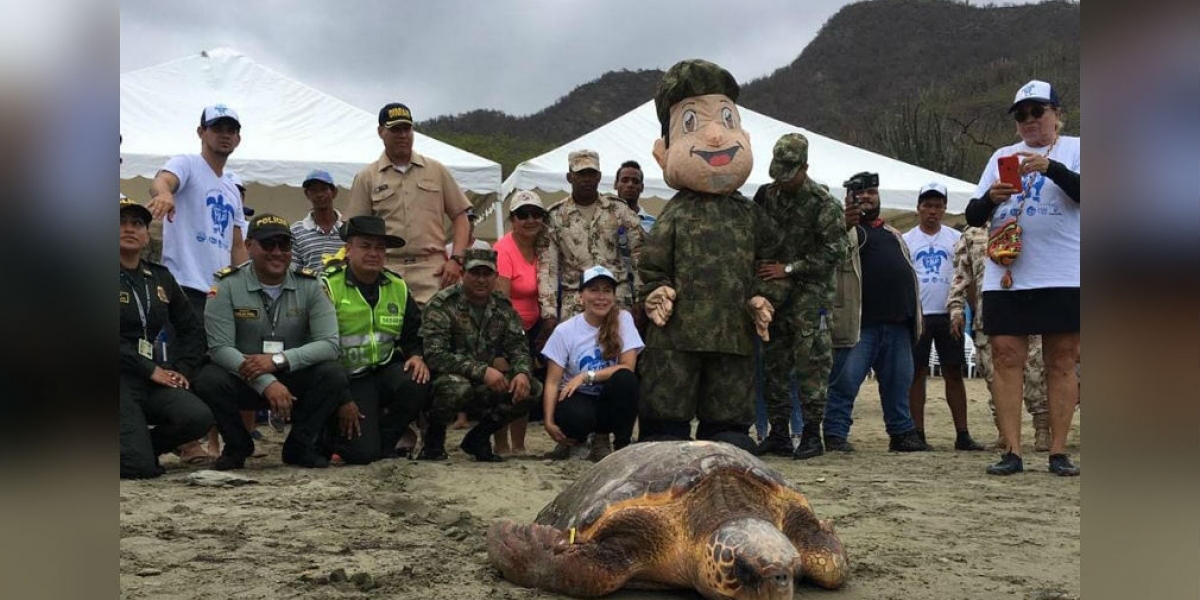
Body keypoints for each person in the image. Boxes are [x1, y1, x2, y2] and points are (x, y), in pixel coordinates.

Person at [637, 59, 785, 451]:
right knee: (667, 414)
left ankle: (727, 434)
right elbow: (651, 263)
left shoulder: (751, 214)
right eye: (693, 125)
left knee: (728, 422)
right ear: (663, 152)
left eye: (726, 119)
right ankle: (664, 434)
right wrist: (656, 289)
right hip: (677, 333)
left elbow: (772, 265)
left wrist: (763, 295)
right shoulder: (676, 211)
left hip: (732, 331)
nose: (717, 137)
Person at [964, 79, 1080, 476]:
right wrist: (990, 197)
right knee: (1006, 357)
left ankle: (1058, 451)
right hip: (1008, 271)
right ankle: (1011, 451)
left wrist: (1053, 168)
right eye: (1021, 115)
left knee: (1062, 361)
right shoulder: (1002, 155)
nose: (1029, 121)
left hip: (1063, 271)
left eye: (1038, 112)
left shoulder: (1077, 149)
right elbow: (973, 216)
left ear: (1056, 115)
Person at [193, 214, 347, 470]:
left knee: (333, 374)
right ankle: (238, 445)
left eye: (284, 245)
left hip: (292, 373)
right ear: (249, 246)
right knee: (208, 378)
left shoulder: (311, 284)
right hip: (245, 376)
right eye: (268, 244)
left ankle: (299, 446)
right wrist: (267, 383)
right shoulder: (227, 284)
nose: (277, 252)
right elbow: (219, 348)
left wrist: (279, 362)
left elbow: (330, 343)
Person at [752, 133, 848, 459]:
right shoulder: (767, 196)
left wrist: (789, 268)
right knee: (774, 365)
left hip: (811, 294)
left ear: (805, 167)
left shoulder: (824, 205)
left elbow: (836, 251)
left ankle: (811, 433)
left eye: (788, 172)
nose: (782, 180)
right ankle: (778, 433)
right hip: (776, 297)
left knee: (812, 364)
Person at [822, 172, 929, 453]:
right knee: (845, 381)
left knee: (899, 383)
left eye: (872, 192)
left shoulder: (892, 232)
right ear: (848, 199)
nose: (867, 197)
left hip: (898, 322)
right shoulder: (842, 231)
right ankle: (834, 434)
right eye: (860, 193)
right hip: (860, 322)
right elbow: (826, 252)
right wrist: (844, 222)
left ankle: (902, 433)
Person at [319, 216, 431, 464]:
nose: (374, 253)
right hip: (345, 378)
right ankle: (333, 434)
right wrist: (343, 398)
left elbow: (414, 332)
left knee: (417, 379)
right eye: (366, 246)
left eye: (380, 248)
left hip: (382, 371)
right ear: (348, 250)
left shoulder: (397, 286)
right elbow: (319, 348)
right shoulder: (328, 286)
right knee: (362, 455)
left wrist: (416, 355)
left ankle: (387, 438)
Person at [419, 248, 543, 462]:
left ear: (496, 277)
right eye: (475, 273)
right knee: (457, 387)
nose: (481, 280)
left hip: (485, 382)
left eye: (487, 274)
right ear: (462, 274)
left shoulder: (502, 307)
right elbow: (435, 355)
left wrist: (521, 372)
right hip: (444, 381)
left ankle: (478, 438)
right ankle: (433, 442)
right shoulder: (442, 304)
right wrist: (482, 371)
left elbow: (519, 347)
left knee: (532, 387)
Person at [119, 197, 213, 479]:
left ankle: (139, 448)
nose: (129, 229)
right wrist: (150, 369)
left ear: (147, 235)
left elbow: (191, 328)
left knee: (198, 417)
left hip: (150, 377)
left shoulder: (160, 277)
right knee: (140, 469)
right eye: (121, 223)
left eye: (137, 223)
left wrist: (182, 370)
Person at [346, 102, 472, 304]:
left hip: (433, 271)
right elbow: (353, 229)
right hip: (386, 269)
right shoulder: (367, 177)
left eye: (407, 129)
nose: (403, 135)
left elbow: (461, 216)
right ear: (381, 132)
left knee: (435, 333)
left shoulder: (436, 170)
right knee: (388, 333)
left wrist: (457, 260)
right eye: (395, 129)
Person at [948, 226, 1051, 451]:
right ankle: (1005, 433)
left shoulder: (1028, 222)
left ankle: (1043, 430)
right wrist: (956, 308)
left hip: (1029, 312)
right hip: (990, 316)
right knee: (994, 376)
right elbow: (961, 273)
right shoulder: (973, 234)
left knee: (1037, 375)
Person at [146, 104, 249, 322]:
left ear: (238, 139)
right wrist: (164, 194)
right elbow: (162, 180)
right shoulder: (187, 163)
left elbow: (237, 245)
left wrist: (247, 286)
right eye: (217, 128)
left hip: (220, 294)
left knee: (214, 356)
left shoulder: (232, 188)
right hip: (183, 286)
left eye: (231, 130)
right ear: (201, 132)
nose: (225, 135)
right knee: (186, 354)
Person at [902, 182, 985, 451]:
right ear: (918, 208)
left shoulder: (955, 238)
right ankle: (917, 431)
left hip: (950, 313)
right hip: (919, 315)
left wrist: (971, 310)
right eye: (927, 206)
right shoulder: (906, 240)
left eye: (938, 206)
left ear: (945, 209)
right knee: (917, 373)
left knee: (953, 371)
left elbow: (967, 276)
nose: (932, 211)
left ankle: (962, 433)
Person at [542, 266, 643, 462]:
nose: (601, 297)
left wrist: (585, 376)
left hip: (608, 394)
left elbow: (627, 367)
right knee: (575, 416)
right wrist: (548, 421)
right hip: (578, 396)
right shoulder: (565, 331)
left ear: (614, 296)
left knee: (626, 380)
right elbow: (552, 382)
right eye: (594, 290)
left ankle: (620, 444)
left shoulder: (623, 320)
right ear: (581, 296)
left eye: (607, 291)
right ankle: (575, 441)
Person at [537, 149, 645, 326]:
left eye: (591, 174)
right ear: (570, 177)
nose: (587, 179)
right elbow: (548, 268)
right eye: (581, 174)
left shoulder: (618, 209)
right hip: (575, 303)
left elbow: (639, 254)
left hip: (615, 299)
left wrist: (641, 298)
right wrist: (548, 313)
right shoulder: (555, 216)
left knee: (619, 352)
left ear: (599, 177)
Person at [488, 190, 549, 455]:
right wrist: (513, 342)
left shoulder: (544, 248)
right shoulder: (503, 249)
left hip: (535, 326)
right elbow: (501, 302)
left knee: (526, 383)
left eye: (536, 214)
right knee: (504, 381)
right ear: (512, 218)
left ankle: (520, 445)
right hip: (505, 325)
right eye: (522, 215)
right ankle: (501, 444)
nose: (530, 220)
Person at [291, 169, 347, 272]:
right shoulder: (296, 231)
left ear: (334, 192)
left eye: (324, 189)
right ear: (307, 194)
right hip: (310, 287)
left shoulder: (348, 227)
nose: (319, 194)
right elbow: (294, 269)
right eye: (314, 190)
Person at [613, 160, 656, 233]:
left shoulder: (654, 224)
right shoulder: (601, 218)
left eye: (635, 182)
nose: (630, 185)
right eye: (625, 180)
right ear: (615, 184)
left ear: (642, 187)